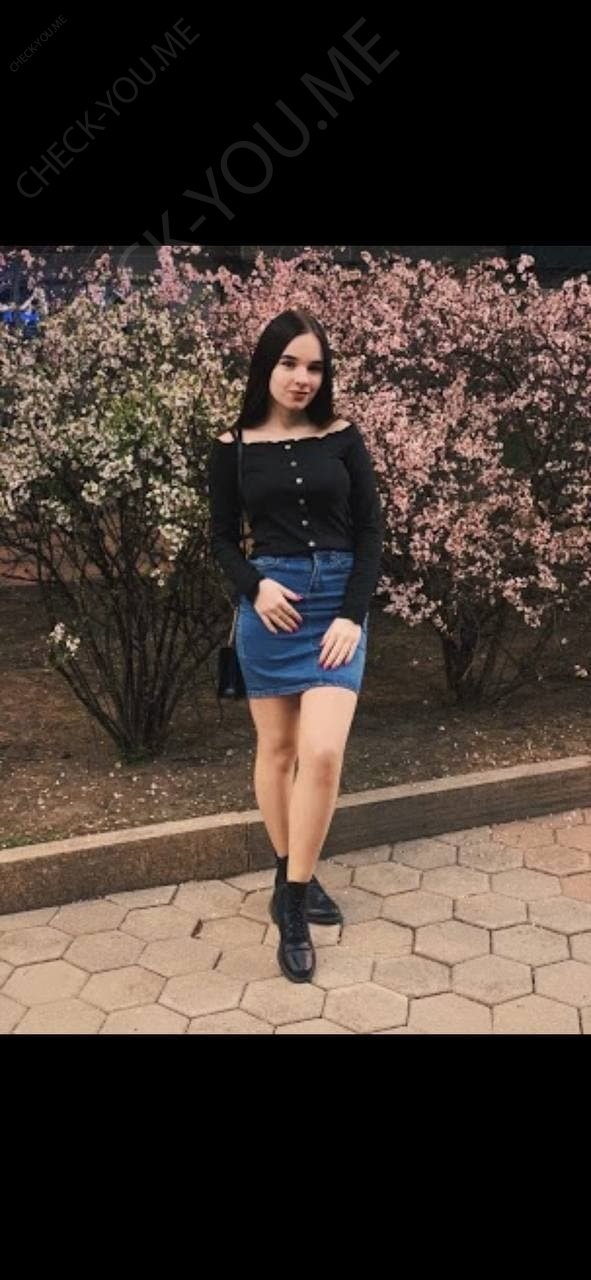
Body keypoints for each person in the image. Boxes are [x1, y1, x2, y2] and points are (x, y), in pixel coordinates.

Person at [207, 309, 384, 983]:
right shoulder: (232, 446)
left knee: (323, 752)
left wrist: (352, 615)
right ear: (266, 366)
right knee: (278, 750)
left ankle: (291, 901)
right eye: (289, 363)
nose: (302, 377)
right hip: (272, 610)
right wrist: (255, 588)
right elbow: (221, 537)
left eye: (314, 366)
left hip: (336, 607)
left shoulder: (341, 435)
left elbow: (369, 532)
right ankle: (294, 879)